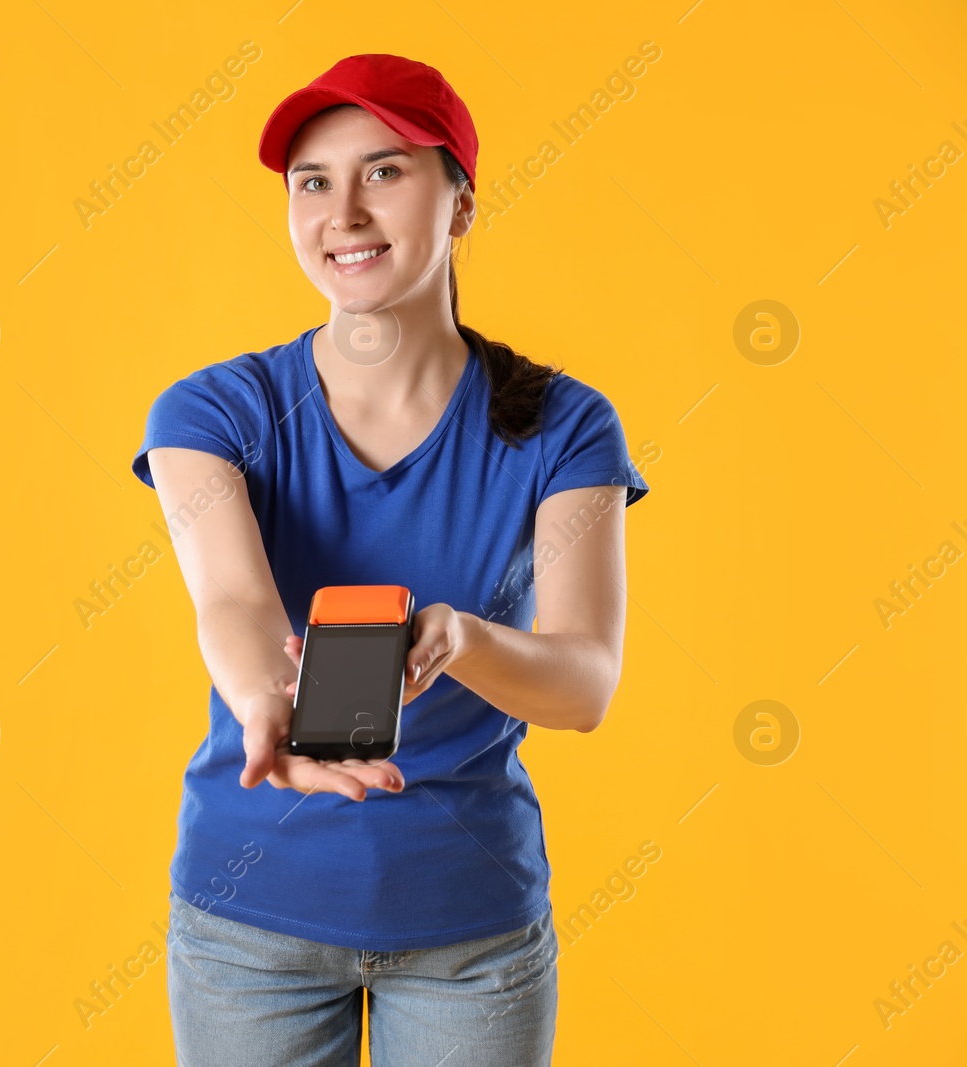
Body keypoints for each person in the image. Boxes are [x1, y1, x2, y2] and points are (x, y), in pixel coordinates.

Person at [130, 54, 651, 1066]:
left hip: (469, 930)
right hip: (250, 924)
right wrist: (263, 702)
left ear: (459, 203)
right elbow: (234, 596)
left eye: (384, 172)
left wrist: (462, 637)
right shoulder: (211, 411)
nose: (344, 213)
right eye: (312, 183)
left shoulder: (562, 426)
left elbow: (584, 681)